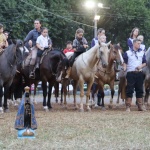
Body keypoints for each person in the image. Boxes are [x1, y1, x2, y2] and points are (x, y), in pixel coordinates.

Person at [123, 39, 147, 112]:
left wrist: (141, 66)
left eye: (140, 43)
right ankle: (128, 106)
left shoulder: (142, 53)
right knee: (129, 89)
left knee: (139, 89)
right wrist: (124, 68)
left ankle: (140, 106)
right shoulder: (127, 53)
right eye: (138, 43)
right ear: (134, 44)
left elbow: (145, 63)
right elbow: (125, 62)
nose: (139, 45)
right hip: (130, 73)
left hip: (139, 73)